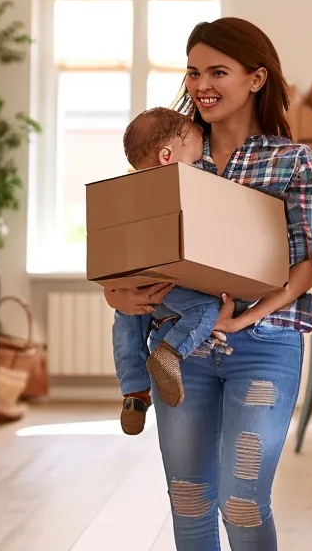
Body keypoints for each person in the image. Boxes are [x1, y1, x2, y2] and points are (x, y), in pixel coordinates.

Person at [102, 17, 312, 551]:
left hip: (265, 344)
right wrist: (116, 292)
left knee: (243, 501)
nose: (200, 84)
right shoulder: (168, 155)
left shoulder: (292, 161)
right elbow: (126, 239)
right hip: (178, 352)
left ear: (256, 78)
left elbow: (310, 264)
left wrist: (242, 318)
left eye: (217, 71)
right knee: (189, 498)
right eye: (193, 72)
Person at [108, 108, 227, 435]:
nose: (198, 157)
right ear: (167, 155)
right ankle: (170, 352)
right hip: (180, 287)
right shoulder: (195, 182)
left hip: (137, 286)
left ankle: (133, 392)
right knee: (206, 309)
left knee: (126, 322)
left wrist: (115, 289)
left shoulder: (126, 192)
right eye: (193, 151)